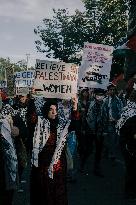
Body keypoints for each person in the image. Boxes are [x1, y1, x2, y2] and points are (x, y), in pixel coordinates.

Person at [30, 97, 78, 205]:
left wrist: (75, 108)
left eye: (56, 110)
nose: (54, 112)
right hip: (42, 164)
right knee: (43, 190)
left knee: (58, 190)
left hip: (58, 163)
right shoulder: (39, 123)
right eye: (51, 109)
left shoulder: (61, 125)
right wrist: (32, 99)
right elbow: (31, 117)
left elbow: (74, 125)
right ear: (46, 110)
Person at [117, 83, 136, 200]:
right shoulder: (132, 113)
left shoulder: (129, 109)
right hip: (130, 146)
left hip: (127, 144)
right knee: (132, 169)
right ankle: (129, 192)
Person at [86, 88, 105, 177]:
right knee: (88, 149)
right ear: (95, 95)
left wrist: (104, 130)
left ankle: (97, 168)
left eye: (101, 95)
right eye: (98, 95)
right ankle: (82, 163)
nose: (100, 96)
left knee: (98, 151)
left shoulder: (105, 104)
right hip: (91, 131)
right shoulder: (91, 104)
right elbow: (88, 118)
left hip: (100, 132)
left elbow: (106, 117)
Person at [101, 83, 123, 161]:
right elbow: (102, 112)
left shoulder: (118, 100)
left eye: (113, 90)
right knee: (105, 139)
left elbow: (121, 112)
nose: (112, 91)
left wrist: (116, 119)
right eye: (111, 90)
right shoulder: (105, 100)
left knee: (113, 140)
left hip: (114, 123)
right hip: (105, 122)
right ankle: (106, 152)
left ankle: (112, 155)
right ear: (108, 91)